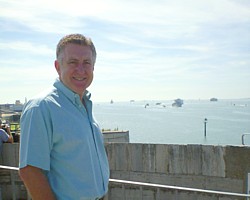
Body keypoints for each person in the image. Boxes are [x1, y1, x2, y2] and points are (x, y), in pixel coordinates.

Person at [19, 34, 110, 200]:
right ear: (57, 66)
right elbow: (30, 171)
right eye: (73, 62)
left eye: (87, 63)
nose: (81, 70)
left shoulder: (84, 105)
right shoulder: (41, 107)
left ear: (93, 67)